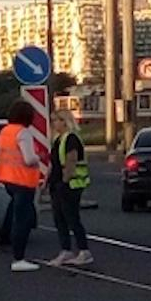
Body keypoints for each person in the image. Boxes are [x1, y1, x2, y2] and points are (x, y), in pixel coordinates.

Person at [0, 101, 42, 272]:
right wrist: (39, 157)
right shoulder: (23, 133)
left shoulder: (6, 131)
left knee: (17, 215)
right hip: (23, 181)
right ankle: (19, 258)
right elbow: (29, 159)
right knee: (22, 220)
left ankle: (17, 255)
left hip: (8, 179)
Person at [47, 110, 93, 267]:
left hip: (71, 185)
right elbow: (53, 163)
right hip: (58, 184)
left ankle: (84, 251)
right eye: (53, 120)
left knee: (72, 218)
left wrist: (64, 182)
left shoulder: (71, 138)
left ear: (65, 121)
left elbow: (71, 161)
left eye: (56, 120)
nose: (54, 123)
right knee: (59, 218)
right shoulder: (58, 139)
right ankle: (65, 250)